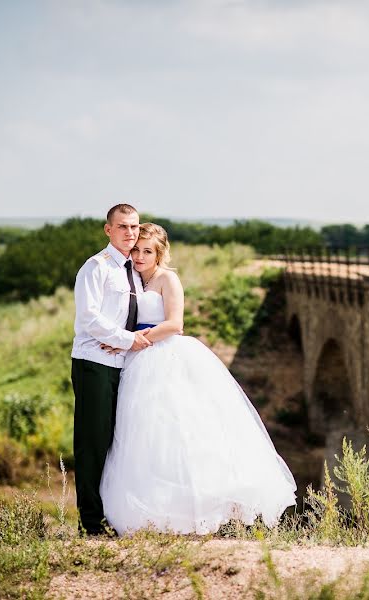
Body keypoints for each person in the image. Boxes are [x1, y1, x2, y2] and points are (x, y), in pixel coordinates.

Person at [100, 223, 296, 535]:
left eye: (147, 251)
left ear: (160, 253)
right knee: (143, 435)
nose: (139, 255)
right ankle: (157, 513)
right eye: (136, 249)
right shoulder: (132, 278)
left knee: (179, 430)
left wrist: (131, 339)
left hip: (164, 355)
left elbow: (175, 324)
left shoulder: (167, 279)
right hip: (136, 361)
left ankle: (195, 511)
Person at [71, 204, 152, 536]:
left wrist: (125, 344)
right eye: (122, 227)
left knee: (117, 441)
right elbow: (90, 318)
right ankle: (90, 524)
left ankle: (114, 516)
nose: (129, 233)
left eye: (134, 226)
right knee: (92, 441)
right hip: (94, 364)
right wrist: (124, 339)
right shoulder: (96, 267)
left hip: (124, 365)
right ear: (108, 230)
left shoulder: (135, 270)